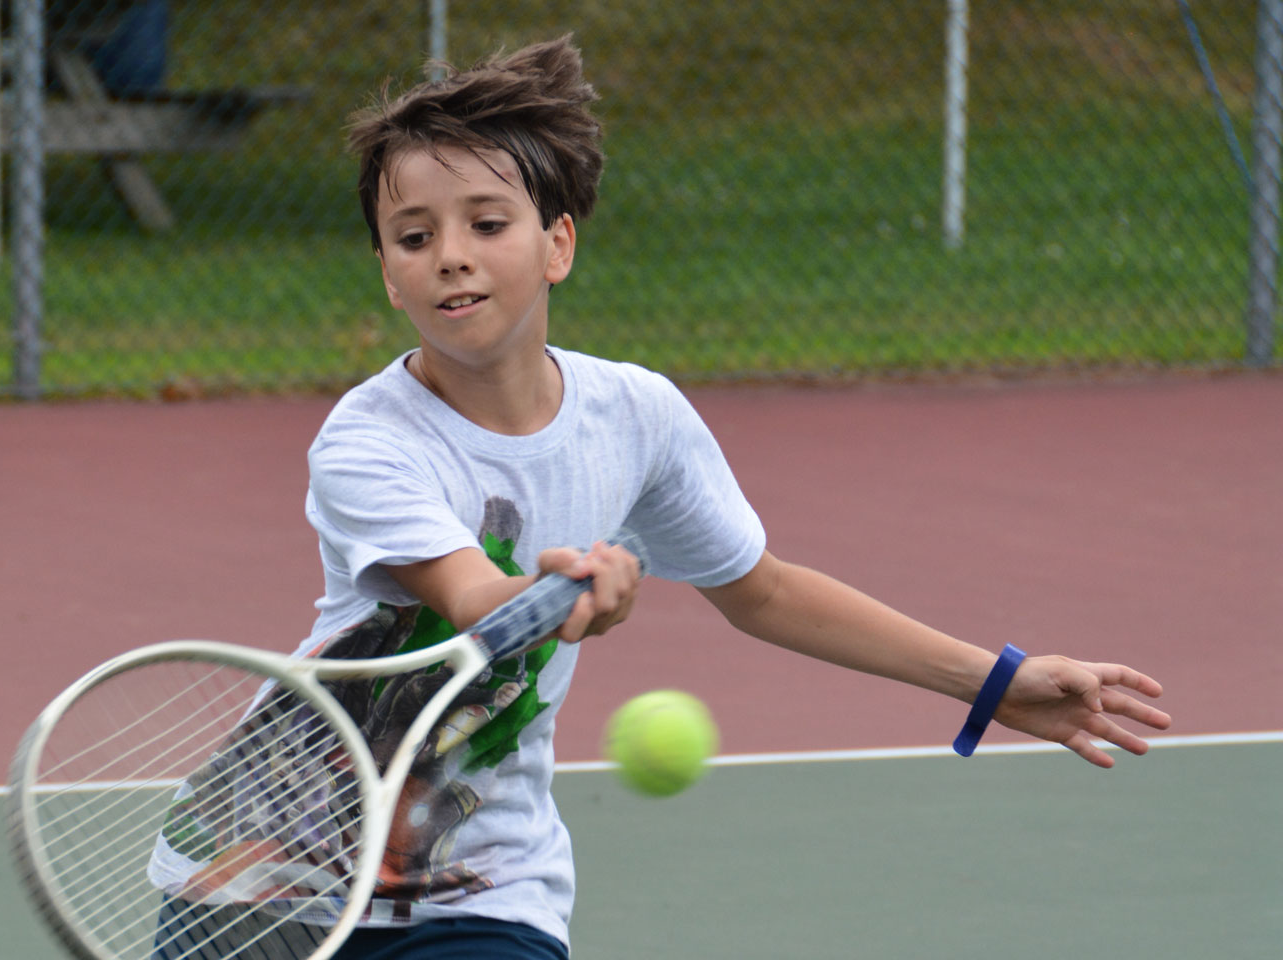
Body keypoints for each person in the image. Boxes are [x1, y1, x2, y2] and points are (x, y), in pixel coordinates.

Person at [159, 35, 1172, 960]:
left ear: (558, 243)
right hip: (262, 880)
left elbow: (762, 589)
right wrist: (560, 593)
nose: (451, 254)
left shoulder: (635, 416)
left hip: (479, 886)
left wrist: (990, 683)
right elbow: (478, 601)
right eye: (412, 236)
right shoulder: (369, 442)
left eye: (486, 222)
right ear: (387, 274)